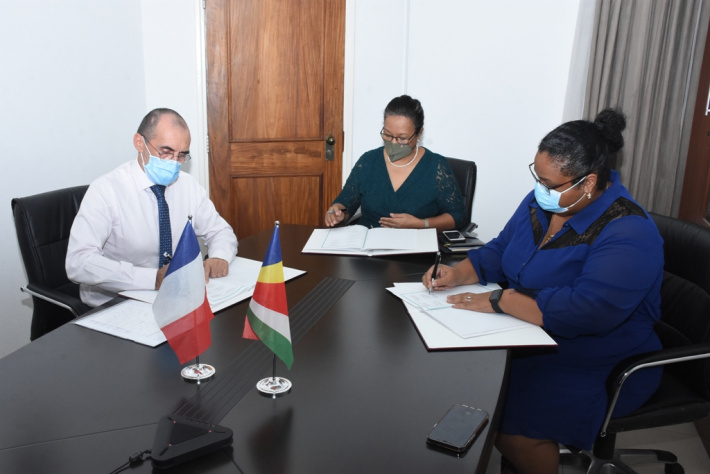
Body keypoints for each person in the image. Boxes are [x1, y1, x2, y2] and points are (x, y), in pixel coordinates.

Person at [423, 109, 663, 474]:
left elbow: (586, 311)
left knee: (510, 428)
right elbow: (501, 249)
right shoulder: (542, 202)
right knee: (468, 387)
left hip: (600, 358)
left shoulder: (630, 231)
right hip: (530, 335)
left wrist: (502, 300)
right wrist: (457, 273)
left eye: (549, 183)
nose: (539, 189)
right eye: (537, 176)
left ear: (587, 183)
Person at [66, 108, 238, 307]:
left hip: (175, 296)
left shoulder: (187, 185)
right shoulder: (106, 191)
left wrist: (219, 256)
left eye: (182, 155)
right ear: (139, 143)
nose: (174, 162)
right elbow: (78, 262)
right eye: (166, 152)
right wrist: (151, 279)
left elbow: (220, 231)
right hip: (117, 301)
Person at [324, 95, 466, 230]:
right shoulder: (368, 162)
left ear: (419, 134)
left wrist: (421, 224)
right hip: (368, 241)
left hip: (414, 242)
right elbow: (345, 204)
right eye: (387, 135)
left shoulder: (436, 166)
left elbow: (457, 216)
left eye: (402, 138)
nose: (393, 142)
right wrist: (336, 213)